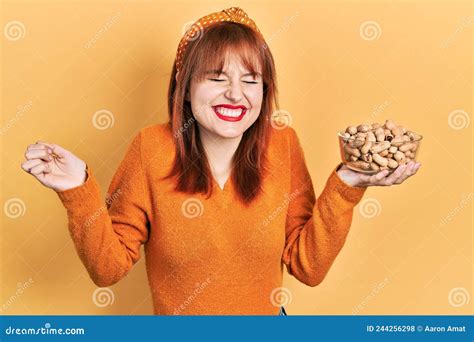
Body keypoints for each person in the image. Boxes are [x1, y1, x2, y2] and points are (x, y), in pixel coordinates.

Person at [21, 7, 421, 315]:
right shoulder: (151, 148)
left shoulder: (282, 145)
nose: (236, 94)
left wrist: (348, 184)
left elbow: (308, 268)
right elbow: (108, 269)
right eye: (216, 77)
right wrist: (76, 189)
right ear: (186, 86)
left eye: (251, 80)